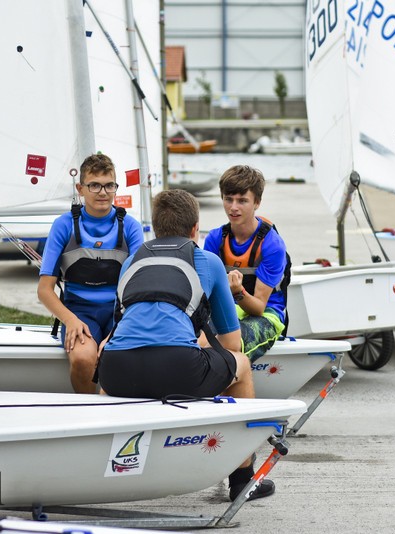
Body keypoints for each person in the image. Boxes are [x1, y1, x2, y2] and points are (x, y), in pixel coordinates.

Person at [97, 188, 276, 502]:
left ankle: (106, 467)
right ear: (195, 229)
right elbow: (232, 342)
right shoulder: (207, 260)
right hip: (177, 367)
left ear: (154, 228)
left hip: (118, 368)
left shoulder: (131, 262)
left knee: (111, 370)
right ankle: (243, 480)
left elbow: (123, 324)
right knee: (241, 363)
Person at [38, 153, 143, 393]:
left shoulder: (131, 227)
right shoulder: (63, 225)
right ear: (80, 188)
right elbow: (44, 290)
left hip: (121, 313)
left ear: (116, 188)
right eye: (94, 185)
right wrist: (70, 320)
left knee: (119, 359)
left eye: (109, 186)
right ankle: (90, 412)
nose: (103, 192)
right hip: (80, 313)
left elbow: (140, 287)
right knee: (84, 359)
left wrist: (117, 331)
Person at [202, 165, 288, 362]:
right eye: (228, 199)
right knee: (196, 337)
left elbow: (258, 307)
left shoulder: (272, 245)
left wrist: (237, 292)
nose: (233, 207)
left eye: (242, 201)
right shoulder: (215, 239)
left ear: (256, 202)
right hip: (227, 308)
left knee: (230, 344)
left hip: (266, 314)